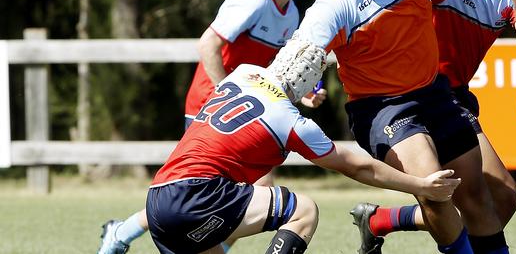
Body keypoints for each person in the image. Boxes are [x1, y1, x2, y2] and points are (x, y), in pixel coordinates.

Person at [293, 0, 516, 254]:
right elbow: (300, 57)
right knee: (436, 188)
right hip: (382, 108)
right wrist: (296, 89)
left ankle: (383, 221)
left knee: (481, 198)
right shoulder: (334, 2)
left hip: (434, 92)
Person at [97, 0, 326, 254]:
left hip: (245, 106)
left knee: (227, 193)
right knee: (203, 192)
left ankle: (124, 232)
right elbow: (207, 45)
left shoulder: (290, 15)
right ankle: (122, 232)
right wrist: (226, 91)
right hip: (212, 103)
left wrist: (301, 96)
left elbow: (276, 70)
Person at [145, 37, 462, 254]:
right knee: (303, 211)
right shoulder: (292, 122)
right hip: (199, 194)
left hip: (158, 196)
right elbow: (357, 166)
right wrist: (420, 185)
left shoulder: (243, 74)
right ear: (309, 83)